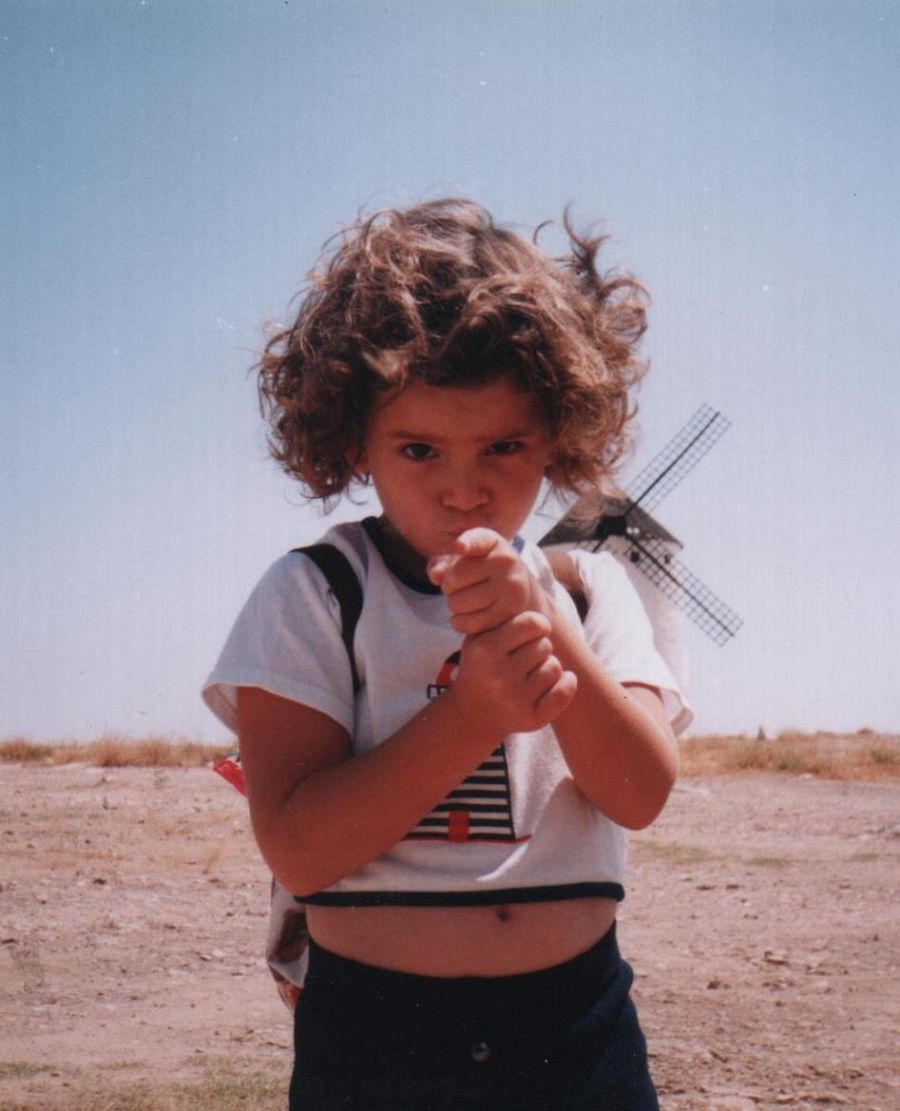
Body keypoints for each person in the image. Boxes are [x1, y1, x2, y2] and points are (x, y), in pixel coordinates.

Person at [203, 198, 692, 1110]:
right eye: (420, 449)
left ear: (560, 436)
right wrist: (471, 714)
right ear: (354, 443)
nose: (465, 487)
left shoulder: (591, 590)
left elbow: (639, 792)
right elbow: (301, 850)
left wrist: (551, 641)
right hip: (377, 1039)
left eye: (505, 446)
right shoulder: (314, 593)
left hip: (576, 1029)